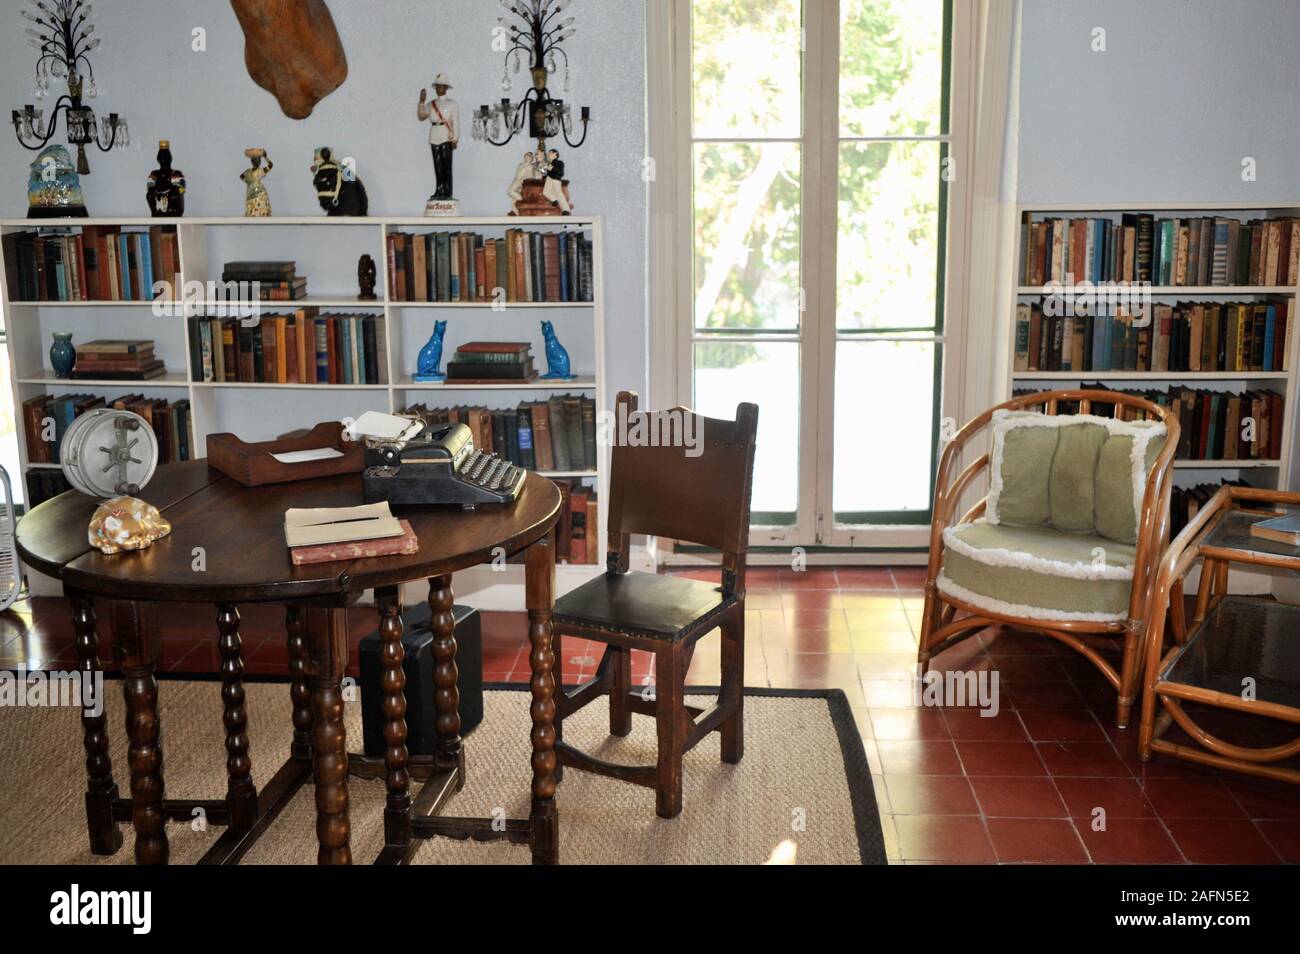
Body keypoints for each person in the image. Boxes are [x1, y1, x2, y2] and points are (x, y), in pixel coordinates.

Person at [417, 73, 459, 199]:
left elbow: (455, 122)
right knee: (438, 166)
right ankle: (439, 189)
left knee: (447, 166)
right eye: (437, 87)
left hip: (446, 136)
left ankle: (447, 191)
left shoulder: (452, 104)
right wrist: (421, 102)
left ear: (446, 88)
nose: (439, 89)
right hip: (434, 135)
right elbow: (421, 116)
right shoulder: (431, 104)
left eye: (441, 86)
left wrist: (455, 138)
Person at [541, 148, 571, 214]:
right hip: (549, 179)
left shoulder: (559, 163)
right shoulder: (547, 163)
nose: (548, 154)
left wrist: (552, 168)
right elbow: (544, 175)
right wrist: (543, 170)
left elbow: (561, 173)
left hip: (555, 179)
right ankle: (554, 200)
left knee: (559, 193)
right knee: (545, 192)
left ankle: (566, 210)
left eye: (550, 153)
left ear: (555, 154)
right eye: (548, 153)